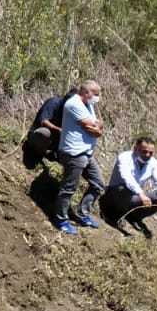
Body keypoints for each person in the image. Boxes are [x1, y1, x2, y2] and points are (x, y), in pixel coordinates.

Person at [53, 78, 105, 233]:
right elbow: (92, 127)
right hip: (73, 153)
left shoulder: (88, 104)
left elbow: (97, 125)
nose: (97, 97)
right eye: (95, 94)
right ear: (86, 92)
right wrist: (97, 128)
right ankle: (60, 219)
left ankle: (83, 213)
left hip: (86, 153)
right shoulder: (74, 103)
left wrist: (97, 128)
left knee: (98, 184)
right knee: (69, 188)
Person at [102, 136, 157, 236]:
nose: (147, 155)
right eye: (144, 151)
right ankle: (113, 215)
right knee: (126, 191)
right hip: (116, 192)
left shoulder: (153, 163)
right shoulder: (125, 157)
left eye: (151, 153)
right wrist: (141, 194)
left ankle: (134, 216)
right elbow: (127, 178)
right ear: (135, 149)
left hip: (134, 195)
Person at [22, 89, 75, 171]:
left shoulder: (71, 113)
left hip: (54, 143)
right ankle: (35, 152)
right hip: (38, 135)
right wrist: (59, 130)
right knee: (45, 133)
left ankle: (54, 155)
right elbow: (44, 121)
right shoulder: (53, 103)